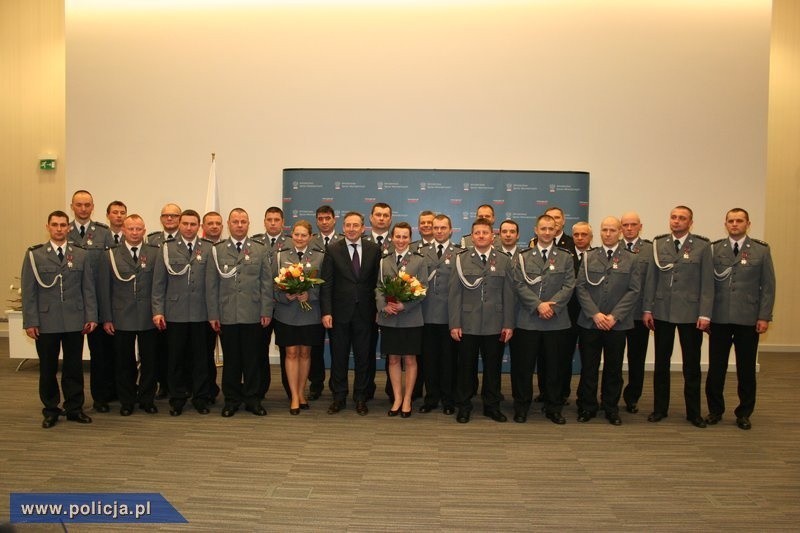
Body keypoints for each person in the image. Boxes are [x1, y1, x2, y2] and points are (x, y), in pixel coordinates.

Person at [21, 211, 97, 428]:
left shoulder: (81, 254)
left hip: (75, 319)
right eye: (55, 225)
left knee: (73, 367)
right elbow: (29, 291)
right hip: (47, 321)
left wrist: (91, 315)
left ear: (69, 228)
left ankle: (74, 408)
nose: (59, 229)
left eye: (63, 225)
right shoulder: (35, 255)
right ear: (48, 227)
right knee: (47, 368)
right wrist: (30, 321)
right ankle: (51, 409)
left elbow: (88, 288)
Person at [705, 208, 775, 430]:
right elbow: (706, 286)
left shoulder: (761, 251)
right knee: (716, 368)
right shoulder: (715, 249)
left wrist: (764, 316)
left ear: (748, 224)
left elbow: (768, 287)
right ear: (725, 224)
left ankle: (744, 413)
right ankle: (715, 410)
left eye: (739, 221)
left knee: (746, 369)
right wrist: (705, 315)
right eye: (731, 221)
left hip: (747, 318)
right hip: (719, 318)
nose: (735, 224)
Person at [643, 205, 713, 428]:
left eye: (682, 218)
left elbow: (707, 284)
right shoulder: (658, 244)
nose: (676, 221)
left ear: (690, 222)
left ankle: (694, 413)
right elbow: (651, 280)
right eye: (673, 217)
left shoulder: (702, 246)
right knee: (661, 364)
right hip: (662, 311)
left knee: (691, 366)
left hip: (691, 313)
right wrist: (647, 309)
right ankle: (659, 409)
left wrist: (705, 313)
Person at [205, 208, 273, 417]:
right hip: (228, 314)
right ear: (228, 224)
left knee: (252, 359)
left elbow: (266, 283)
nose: (240, 225)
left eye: (243, 221)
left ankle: (252, 399)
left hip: (253, 313)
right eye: (236, 221)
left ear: (249, 223)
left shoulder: (260, 249)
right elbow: (211, 286)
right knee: (232, 360)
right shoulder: (217, 251)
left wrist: (266, 310)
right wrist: (213, 315)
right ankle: (232, 400)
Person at [574, 217, 641, 425]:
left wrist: (613, 316)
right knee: (589, 367)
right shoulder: (588, 256)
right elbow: (581, 287)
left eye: (612, 230)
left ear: (620, 232)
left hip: (617, 324)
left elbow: (634, 290)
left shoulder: (631, 259)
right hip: (590, 322)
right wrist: (595, 314)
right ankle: (588, 407)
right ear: (600, 233)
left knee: (613, 368)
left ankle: (611, 407)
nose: (608, 233)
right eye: (605, 230)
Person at [510, 214, 575, 424]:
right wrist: (538, 305)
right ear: (536, 230)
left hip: (555, 321)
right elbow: (518, 285)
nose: (547, 232)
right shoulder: (523, 256)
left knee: (554, 368)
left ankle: (553, 407)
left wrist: (550, 306)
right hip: (528, 320)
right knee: (523, 368)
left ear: (556, 231)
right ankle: (521, 407)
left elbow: (569, 285)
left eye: (551, 229)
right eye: (543, 229)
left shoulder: (565, 256)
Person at [449, 218, 515, 423]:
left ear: (492, 236)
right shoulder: (461, 259)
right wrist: (454, 324)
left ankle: (492, 406)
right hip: (467, 323)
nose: (480, 236)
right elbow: (454, 294)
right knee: (465, 368)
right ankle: (464, 406)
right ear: (471, 236)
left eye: (484, 233)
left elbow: (509, 294)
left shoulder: (504, 260)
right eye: (477, 233)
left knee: (493, 368)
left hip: (495, 324)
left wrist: (508, 324)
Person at [320, 211, 381, 416]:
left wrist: (378, 310)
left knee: (364, 357)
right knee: (339, 357)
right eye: (348, 225)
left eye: (356, 225)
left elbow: (377, 283)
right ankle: (339, 397)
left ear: (363, 228)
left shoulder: (374, 249)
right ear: (343, 227)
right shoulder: (333, 249)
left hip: (366, 313)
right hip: (339, 314)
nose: (352, 229)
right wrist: (326, 311)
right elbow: (327, 283)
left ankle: (361, 397)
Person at [152, 210, 212, 416]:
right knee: (175, 359)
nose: (188, 227)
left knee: (201, 359)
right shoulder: (167, 249)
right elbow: (158, 284)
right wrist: (158, 311)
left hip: (201, 313)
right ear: (179, 224)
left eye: (193, 224)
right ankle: (177, 398)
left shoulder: (208, 248)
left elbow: (212, 285)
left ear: (199, 226)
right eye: (185, 223)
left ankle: (201, 397)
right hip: (175, 313)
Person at [98, 214, 160, 416]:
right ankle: (127, 400)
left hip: (148, 316)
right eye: (131, 229)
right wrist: (107, 318)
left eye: (138, 229)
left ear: (144, 230)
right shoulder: (110, 255)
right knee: (124, 362)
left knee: (150, 361)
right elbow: (104, 289)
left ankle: (147, 398)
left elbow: (159, 287)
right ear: (123, 230)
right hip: (121, 316)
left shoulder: (154, 253)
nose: (135, 233)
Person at [68, 190, 115, 413]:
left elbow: (108, 274)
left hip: (95, 304)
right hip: (69, 305)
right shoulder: (63, 231)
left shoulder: (103, 234)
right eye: (79, 204)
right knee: (72, 359)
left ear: (93, 207)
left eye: (87, 205)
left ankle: (100, 397)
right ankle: (73, 401)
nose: (83, 208)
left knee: (100, 356)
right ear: (72, 206)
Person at [272, 220, 326, 415]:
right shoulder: (280, 256)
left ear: (310, 237)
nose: (300, 238)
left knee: (305, 354)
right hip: (286, 314)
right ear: (291, 234)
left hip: (311, 313)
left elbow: (325, 286)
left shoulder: (320, 257)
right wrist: (285, 296)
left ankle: (302, 392)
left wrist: (309, 295)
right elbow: (272, 284)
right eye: (296, 234)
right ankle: (294, 396)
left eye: (304, 235)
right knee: (291, 353)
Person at [376, 222, 428, 417]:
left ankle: (407, 399)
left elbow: (423, 289)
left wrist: (405, 305)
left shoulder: (419, 260)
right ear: (391, 238)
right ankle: (397, 397)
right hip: (390, 318)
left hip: (411, 318)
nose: (400, 240)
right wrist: (383, 306)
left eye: (405, 236)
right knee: (393, 359)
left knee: (410, 359)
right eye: (397, 236)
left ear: (410, 238)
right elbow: (379, 287)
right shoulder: (384, 261)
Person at [419, 214, 460, 415]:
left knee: (448, 360)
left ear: (451, 230)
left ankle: (448, 399)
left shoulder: (460, 253)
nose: (439, 231)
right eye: (436, 228)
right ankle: (431, 398)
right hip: (425, 315)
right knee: (429, 359)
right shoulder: (420, 252)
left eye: (444, 228)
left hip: (449, 316)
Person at [253, 206, 289, 401]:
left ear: (283, 222)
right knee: (260, 350)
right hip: (262, 307)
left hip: (285, 307)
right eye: (269, 219)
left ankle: (290, 389)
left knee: (287, 351)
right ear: (264, 222)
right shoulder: (255, 243)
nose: (273, 223)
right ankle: (260, 388)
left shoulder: (292, 243)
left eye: (277, 219)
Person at [148, 203, 183, 400]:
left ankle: (180, 385)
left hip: (181, 307)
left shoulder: (187, 240)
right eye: (166, 216)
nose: (169, 219)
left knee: (180, 351)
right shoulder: (152, 240)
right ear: (161, 219)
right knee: (161, 349)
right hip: (162, 305)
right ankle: (164, 384)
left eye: (173, 216)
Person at [619, 211, 652, 414]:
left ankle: (632, 397)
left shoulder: (650, 250)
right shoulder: (614, 248)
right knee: (614, 358)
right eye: (625, 225)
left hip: (639, 314)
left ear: (640, 226)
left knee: (636, 358)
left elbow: (651, 283)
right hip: (616, 314)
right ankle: (611, 395)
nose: (629, 228)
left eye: (633, 225)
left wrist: (648, 309)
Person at [308, 205, 342, 400]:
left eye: (327, 218)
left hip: (336, 304)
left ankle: (336, 384)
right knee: (315, 347)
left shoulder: (343, 242)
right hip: (313, 304)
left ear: (334, 219)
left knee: (338, 347)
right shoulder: (310, 242)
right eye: (320, 218)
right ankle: (316, 382)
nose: (324, 221)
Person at [201, 211, 224, 403]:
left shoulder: (227, 248)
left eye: (218, 223)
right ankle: (208, 389)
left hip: (228, 310)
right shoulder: (199, 249)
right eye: (210, 223)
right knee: (204, 353)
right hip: (205, 310)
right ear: (203, 226)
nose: (214, 227)